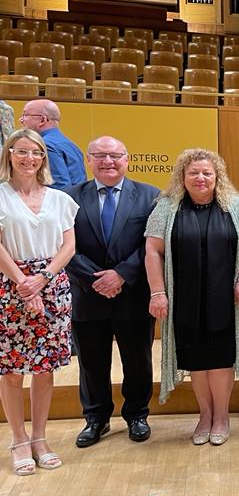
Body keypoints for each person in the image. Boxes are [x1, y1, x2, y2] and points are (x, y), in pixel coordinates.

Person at [144, 149, 239, 446]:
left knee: (220, 358)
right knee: (196, 360)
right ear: (183, 177)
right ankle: (205, 415)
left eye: (207, 172)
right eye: (194, 173)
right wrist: (158, 292)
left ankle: (222, 417)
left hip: (225, 299)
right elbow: (152, 251)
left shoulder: (236, 206)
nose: (201, 178)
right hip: (184, 299)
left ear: (218, 176)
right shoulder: (166, 208)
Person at [66, 136, 160, 447]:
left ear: (127, 159)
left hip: (132, 295)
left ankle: (137, 415)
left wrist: (121, 275)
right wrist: (97, 279)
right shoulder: (68, 198)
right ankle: (96, 419)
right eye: (101, 155)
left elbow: (151, 244)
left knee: (138, 359)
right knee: (92, 362)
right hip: (87, 294)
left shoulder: (149, 196)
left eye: (115, 155)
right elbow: (65, 247)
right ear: (88, 160)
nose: (108, 161)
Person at [0, 129, 78, 475]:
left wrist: (42, 279)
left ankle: (40, 437)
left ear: (43, 158)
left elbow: (69, 247)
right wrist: (23, 283)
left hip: (51, 282)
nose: (29, 158)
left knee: (44, 369)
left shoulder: (59, 199)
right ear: (10, 154)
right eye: (22, 152)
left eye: (36, 153)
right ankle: (18, 440)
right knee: (13, 371)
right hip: (10, 285)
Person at [18, 99, 86, 190]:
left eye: (25, 115)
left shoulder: (45, 146)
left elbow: (59, 187)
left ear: (43, 120)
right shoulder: (72, 145)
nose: (21, 120)